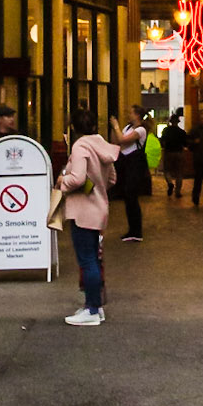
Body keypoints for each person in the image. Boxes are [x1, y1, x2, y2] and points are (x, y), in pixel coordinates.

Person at [57, 105, 121, 326]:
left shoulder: (80, 146)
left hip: (83, 211)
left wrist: (62, 182)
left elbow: (77, 178)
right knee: (93, 257)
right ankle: (95, 307)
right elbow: (112, 179)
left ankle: (92, 310)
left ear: (74, 127)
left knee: (87, 261)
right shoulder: (103, 145)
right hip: (100, 208)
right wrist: (96, 187)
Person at [113, 104, 151, 241]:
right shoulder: (128, 127)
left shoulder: (141, 130)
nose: (128, 115)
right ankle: (132, 229)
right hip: (125, 163)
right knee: (127, 196)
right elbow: (118, 140)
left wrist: (116, 126)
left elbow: (123, 140)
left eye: (131, 113)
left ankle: (136, 231)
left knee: (132, 195)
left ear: (137, 115)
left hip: (135, 164)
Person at [160, 109, 188, 195]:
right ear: (178, 122)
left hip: (168, 153)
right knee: (179, 173)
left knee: (167, 171)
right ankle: (178, 192)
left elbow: (162, 142)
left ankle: (170, 183)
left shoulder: (166, 130)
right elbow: (185, 143)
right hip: (179, 153)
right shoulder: (182, 132)